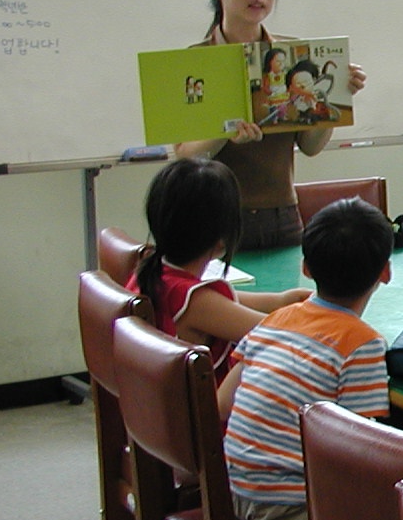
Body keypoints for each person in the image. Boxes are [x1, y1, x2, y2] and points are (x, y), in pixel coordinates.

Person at [175, 0, 368, 250]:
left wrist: (337, 99)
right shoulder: (195, 62)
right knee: (230, 301)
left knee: (289, 298)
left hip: (283, 217)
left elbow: (310, 145)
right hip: (215, 220)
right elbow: (185, 155)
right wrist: (227, 131)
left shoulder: (293, 56)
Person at [220, 199, 394, 520]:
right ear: (385, 272)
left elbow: (223, 403)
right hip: (294, 508)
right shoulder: (362, 342)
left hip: (234, 492)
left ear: (306, 268)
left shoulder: (276, 318)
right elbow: (360, 448)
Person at [128, 157, 310, 388]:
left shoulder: (152, 272)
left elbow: (228, 302)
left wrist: (282, 301)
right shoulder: (196, 302)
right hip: (216, 419)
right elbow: (285, 337)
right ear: (222, 239)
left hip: (162, 414)